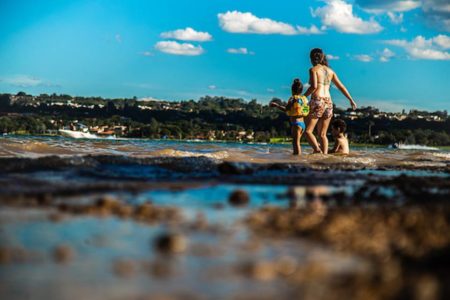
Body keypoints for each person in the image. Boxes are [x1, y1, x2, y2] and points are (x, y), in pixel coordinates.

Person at [303, 48, 357, 154]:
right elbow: (341, 86)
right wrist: (351, 99)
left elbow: (314, 87)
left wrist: (304, 97)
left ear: (311, 58)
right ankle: (325, 156)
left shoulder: (313, 70)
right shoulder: (330, 71)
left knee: (308, 131)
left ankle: (317, 150)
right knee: (322, 135)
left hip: (317, 100)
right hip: (329, 103)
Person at [270, 78, 309, 155]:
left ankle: (297, 159)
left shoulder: (292, 99)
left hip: (296, 124)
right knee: (297, 142)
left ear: (292, 90)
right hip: (303, 124)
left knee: (295, 143)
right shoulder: (304, 99)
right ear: (301, 91)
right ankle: (297, 157)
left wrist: (277, 105)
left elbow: (286, 109)